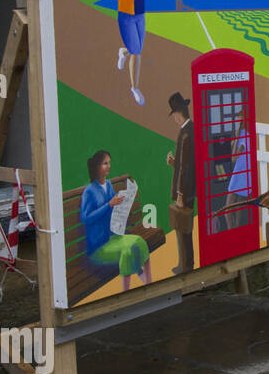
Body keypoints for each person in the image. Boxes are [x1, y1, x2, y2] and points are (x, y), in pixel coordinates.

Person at [80, 150, 152, 291]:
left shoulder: (108, 185)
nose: (108, 166)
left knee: (139, 241)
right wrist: (109, 204)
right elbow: (85, 218)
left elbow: (113, 209)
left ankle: (150, 282)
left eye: (109, 163)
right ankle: (126, 293)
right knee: (127, 250)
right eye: (104, 163)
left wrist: (123, 202)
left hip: (113, 236)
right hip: (99, 247)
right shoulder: (89, 191)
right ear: (96, 167)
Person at [165, 92, 195, 274]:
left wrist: (181, 194)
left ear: (178, 113)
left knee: (183, 229)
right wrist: (173, 163)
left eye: (174, 114)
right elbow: (185, 163)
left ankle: (185, 266)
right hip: (188, 188)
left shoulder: (186, 134)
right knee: (184, 228)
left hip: (185, 191)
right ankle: (185, 263)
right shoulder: (190, 129)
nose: (174, 118)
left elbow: (186, 167)